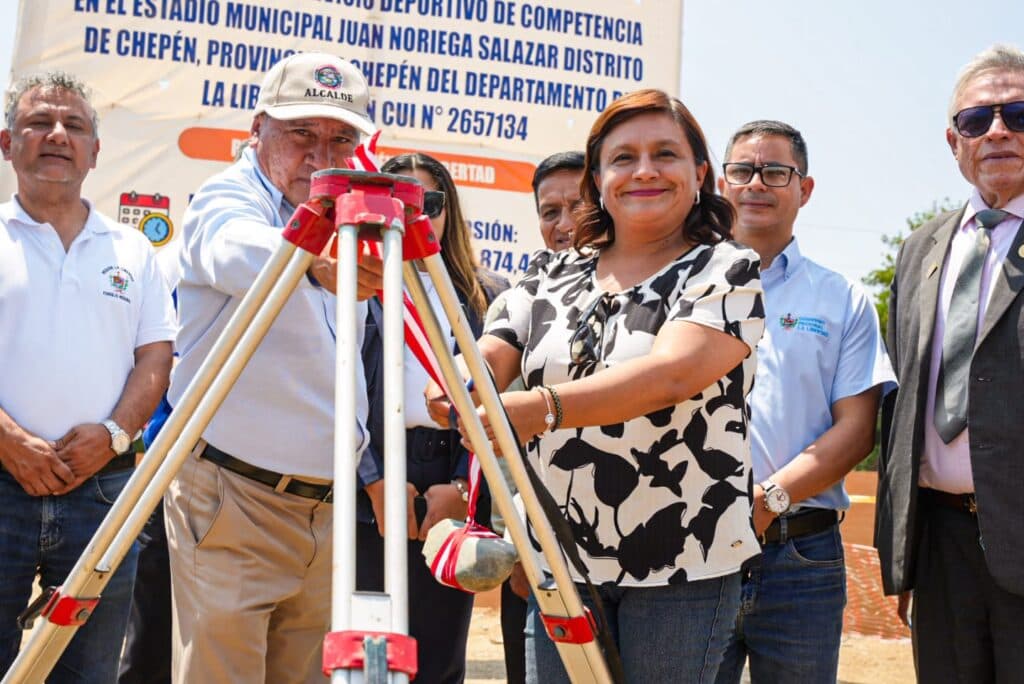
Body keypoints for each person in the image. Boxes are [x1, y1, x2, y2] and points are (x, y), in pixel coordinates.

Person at [428, 89, 765, 683]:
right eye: (623, 157)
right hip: (561, 560)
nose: (644, 171)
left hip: (683, 565)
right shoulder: (549, 273)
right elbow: (489, 354)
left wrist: (539, 409)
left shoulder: (726, 269)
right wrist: (457, 387)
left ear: (700, 172)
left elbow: (671, 375)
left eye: (666, 153)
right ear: (597, 178)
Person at [163, 52, 382, 684]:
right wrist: (315, 260)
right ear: (258, 130)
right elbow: (229, 249)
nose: (321, 153)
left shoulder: (353, 212)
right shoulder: (228, 197)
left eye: (341, 137)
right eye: (301, 134)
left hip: (331, 512)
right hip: (234, 502)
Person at [0, 71, 175, 681]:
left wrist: (116, 433)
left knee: (90, 670)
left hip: (101, 489)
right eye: (38, 124)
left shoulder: (132, 250)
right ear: (6, 144)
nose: (56, 135)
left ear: (95, 152)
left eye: (73, 125)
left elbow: (156, 357)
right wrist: (10, 441)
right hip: (1, 482)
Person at [713, 120, 895, 684]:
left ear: (805, 189)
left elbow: (857, 429)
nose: (756, 185)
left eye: (775, 172)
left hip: (801, 557)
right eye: (742, 171)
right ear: (723, 184)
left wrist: (770, 499)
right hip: (692, 553)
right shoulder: (682, 284)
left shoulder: (842, 298)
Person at [876, 43, 1024, 682]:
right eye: (976, 120)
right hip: (938, 547)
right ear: (953, 141)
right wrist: (902, 549)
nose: (997, 130)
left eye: (1018, 114)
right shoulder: (918, 251)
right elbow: (899, 400)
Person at [356, 152, 508, 683]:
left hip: (451, 475)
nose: (417, 212)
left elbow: (496, 401)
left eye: (431, 202)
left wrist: (461, 490)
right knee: (367, 652)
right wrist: (374, 481)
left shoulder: (488, 296)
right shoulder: (352, 283)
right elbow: (339, 393)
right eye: (401, 198)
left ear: (449, 212)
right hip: (366, 480)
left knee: (438, 655)